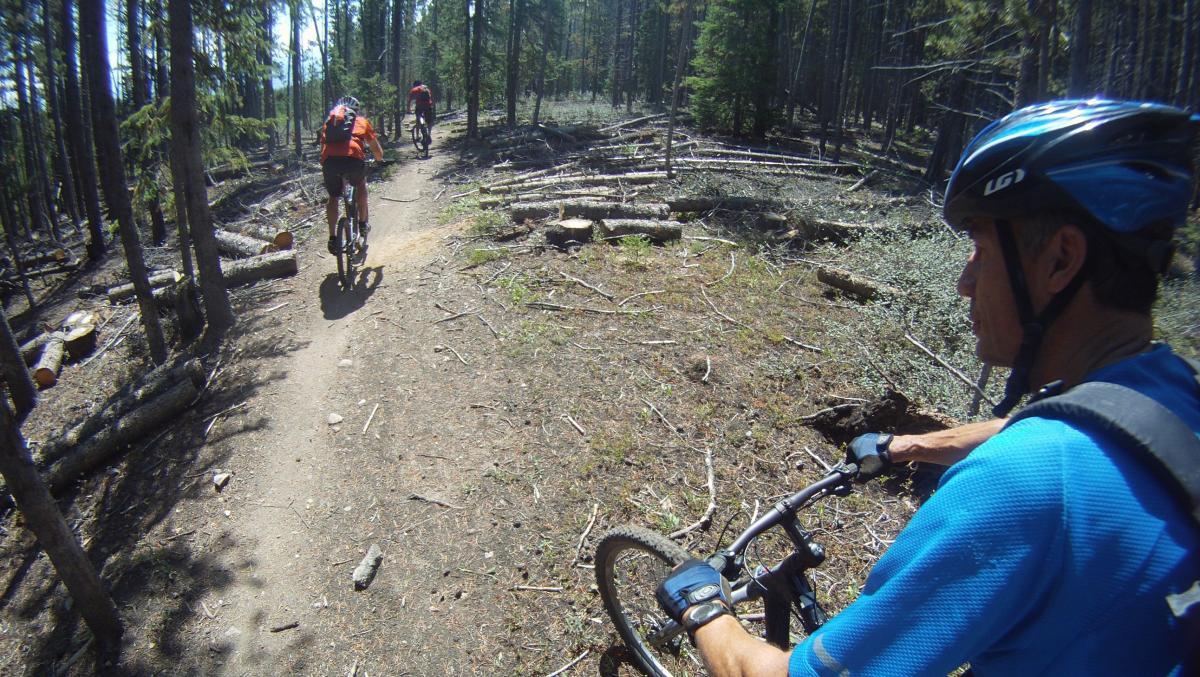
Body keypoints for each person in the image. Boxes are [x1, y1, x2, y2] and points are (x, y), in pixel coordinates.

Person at [656, 99, 1200, 676]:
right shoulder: (1168, 390)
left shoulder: (1021, 488)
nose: (965, 283)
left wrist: (705, 612)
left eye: (982, 250)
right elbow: (1067, 426)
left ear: (1061, 260)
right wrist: (904, 446)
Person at [320, 95, 384, 258]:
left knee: (333, 197)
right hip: (353, 158)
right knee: (361, 184)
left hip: (330, 161)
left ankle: (333, 237)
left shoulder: (330, 122)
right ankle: (362, 224)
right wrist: (379, 159)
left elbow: (324, 145)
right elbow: (376, 149)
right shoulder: (361, 121)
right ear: (355, 111)